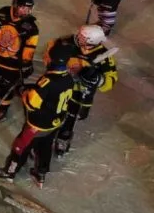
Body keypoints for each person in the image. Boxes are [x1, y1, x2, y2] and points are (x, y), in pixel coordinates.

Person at [0, 47, 76, 187]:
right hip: (55, 122)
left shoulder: (48, 80)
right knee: (45, 146)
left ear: (52, 60)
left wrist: (22, 91)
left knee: (20, 147)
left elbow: (31, 103)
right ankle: (40, 173)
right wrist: (33, 88)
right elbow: (52, 94)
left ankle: (9, 172)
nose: (45, 58)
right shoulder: (68, 78)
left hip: (38, 125)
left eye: (47, 56)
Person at [48, 25, 118, 159]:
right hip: (63, 86)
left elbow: (111, 79)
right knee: (53, 112)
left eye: (82, 37)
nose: (78, 37)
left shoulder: (104, 57)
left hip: (81, 94)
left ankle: (63, 138)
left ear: (91, 41)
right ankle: (46, 138)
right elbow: (52, 51)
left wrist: (98, 79)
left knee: (71, 118)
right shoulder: (70, 44)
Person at [0, 0, 39, 124]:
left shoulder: (32, 28)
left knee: (5, 87)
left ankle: (2, 111)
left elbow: (30, 47)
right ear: (15, 5)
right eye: (23, 7)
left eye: (29, 8)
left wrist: (26, 63)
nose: (26, 11)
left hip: (12, 65)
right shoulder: (1, 13)